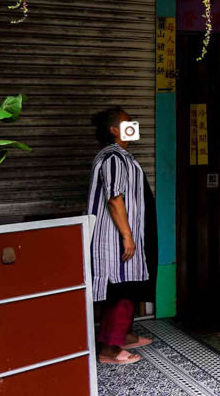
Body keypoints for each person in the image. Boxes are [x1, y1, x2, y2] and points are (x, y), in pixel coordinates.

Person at [88, 107, 157, 365]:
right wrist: (127, 236)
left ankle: (123, 335)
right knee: (119, 289)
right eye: (128, 123)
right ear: (113, 130)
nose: (133, 127)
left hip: (127, 233)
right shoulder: (113, 159)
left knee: (129, 286)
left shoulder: (122, 156)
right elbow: (115, 199)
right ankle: (109, 350)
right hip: (115, 237)